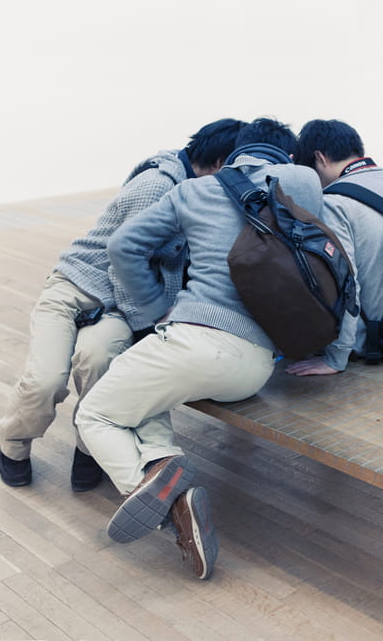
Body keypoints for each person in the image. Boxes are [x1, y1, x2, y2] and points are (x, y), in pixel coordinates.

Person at [74, 117, 324, 579]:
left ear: (233, 155)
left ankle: (166, 500)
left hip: (193, 342)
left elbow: (123, 246)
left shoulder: (194, 191)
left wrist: (153, 312)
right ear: (288, 156)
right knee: (147, 399)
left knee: (96, 414)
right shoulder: (304, 181)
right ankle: (163, 469)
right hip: (257, 367)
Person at [0, 118, 247, 489]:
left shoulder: (193, 190)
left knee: (99, 363)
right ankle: (13, 445)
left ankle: (89, 450)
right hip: (75, 288)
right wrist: (154, 322)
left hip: (116, 306)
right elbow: (122, 262)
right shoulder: (158, 186)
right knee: (46, 380)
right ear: (221, 160)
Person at [285, 119, 383, 377]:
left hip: (376, 342)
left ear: (320, 158)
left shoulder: (334, 201)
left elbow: (347, 284)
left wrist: (336, 358)